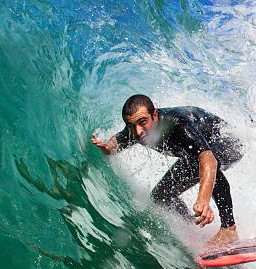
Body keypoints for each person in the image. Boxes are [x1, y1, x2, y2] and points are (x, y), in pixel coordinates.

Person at [91, 94, 243, 247]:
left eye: (143, 122)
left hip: (229, 142)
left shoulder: (178, 125)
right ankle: (192, 227)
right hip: (199, 155)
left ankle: (229, 228)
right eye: (132, 126)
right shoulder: (136, 128)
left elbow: (207, 159)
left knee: (203, 162)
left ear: (155, 115)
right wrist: (106, 147)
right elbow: (116, 143)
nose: (138, 132)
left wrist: (203, 200)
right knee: (160, 196)